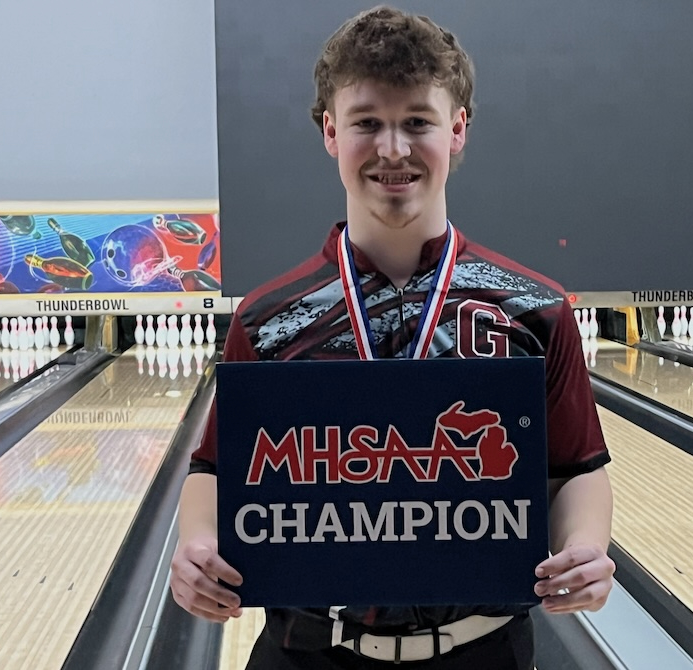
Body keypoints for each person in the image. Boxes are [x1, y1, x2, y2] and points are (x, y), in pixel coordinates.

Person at [170, 6, 614, 668]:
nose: (393, 149)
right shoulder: (266, 322)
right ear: (331, 132)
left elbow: (577, 468)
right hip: (307, 653)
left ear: (457, 129)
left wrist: (586, 546)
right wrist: (197, 547)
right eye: (368, 123)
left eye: (417, 123)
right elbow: (214, 470)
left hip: (484, 653)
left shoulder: (534, 311)